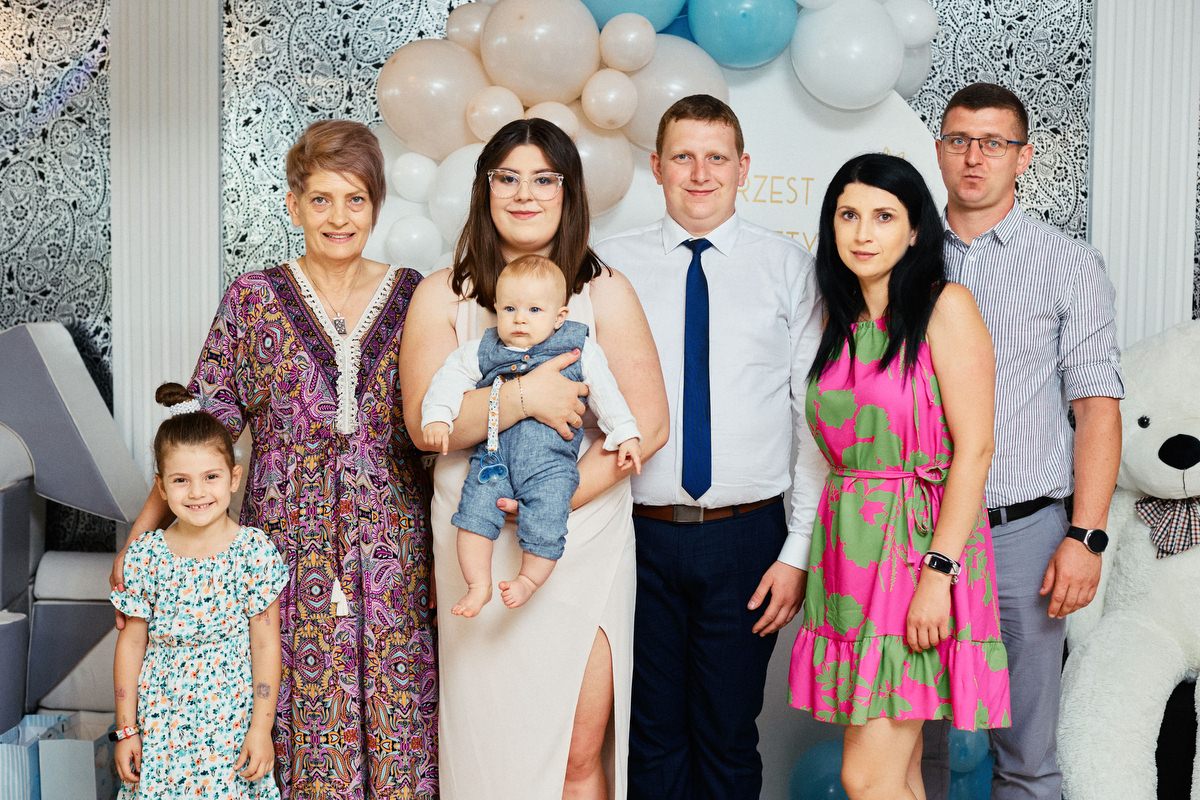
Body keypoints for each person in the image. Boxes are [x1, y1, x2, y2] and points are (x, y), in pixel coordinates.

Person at [111, 120, 438, 799]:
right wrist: (141, 536)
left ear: (377, 206)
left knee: (399, 700)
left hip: (394, 543)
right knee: (294, 701)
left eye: (355, 199)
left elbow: (441, 418)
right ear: (293, 205)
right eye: (321, 200)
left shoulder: (416, 296)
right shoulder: (253, 298)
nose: (338, 217)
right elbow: (205, 432)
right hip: (287, 543)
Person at [400, 118, 668, 799]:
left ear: (569, 191)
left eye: (544, 179)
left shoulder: (605, 291)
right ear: (484, 188)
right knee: (489, 751)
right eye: (508, 178)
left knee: (577, 752)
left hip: (582, 537)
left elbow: (649, 425)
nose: (526, 194)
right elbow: (426, 428)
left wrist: (549, 500)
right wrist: (520, 398)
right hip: (477, 538)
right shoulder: (441, 295)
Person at [593, 94, 826, 800]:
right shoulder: (607, 268)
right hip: (632, 532)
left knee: (727, 735)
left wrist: (796, 552)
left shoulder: (790, 268)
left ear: (743, 168)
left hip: (747, 538)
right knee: (649, 737)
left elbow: (812, 422)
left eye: (716, 157)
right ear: (657, 166)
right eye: (684, 157)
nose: (701, 174)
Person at [920, 83, 1123, 800]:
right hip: (914, 528)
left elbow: (1096, 407)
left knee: (1028, 756)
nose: (974, 157)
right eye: (959, 140)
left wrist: (1086, 536)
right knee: (911, 748)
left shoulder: (1067, 262)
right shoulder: (902, 254)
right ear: (939, 150)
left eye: (994, 143)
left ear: (1024, 156)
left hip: (1022, 534)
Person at [786, 153, 1010, 799]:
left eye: (884, 217)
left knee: (864, 777)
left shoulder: (946, 307)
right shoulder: (839, 321)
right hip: (847, 552)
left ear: (915, 231)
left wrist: (939, 574)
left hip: (916, 551)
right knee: (900, 775)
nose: (863, 233)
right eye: (848, 215)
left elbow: (975, 450)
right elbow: (824, 449)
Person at [421, 254, 642, 616]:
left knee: (548, 515)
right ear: (496, 309)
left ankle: (529, 579)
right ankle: (478, 584)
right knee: (473, 515)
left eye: (535, 310)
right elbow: (448, 380)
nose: (520, 318)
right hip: (492, 458)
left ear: (559, 316)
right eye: (510, 308)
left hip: (551, 463)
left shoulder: (578, 347)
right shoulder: (481, 350)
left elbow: (606, 392)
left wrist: (625, 432)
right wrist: (437, 417)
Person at [111, 382, 288, 799]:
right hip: (162, 731)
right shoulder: (146, 557)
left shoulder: (252, 552)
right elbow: (131, 645)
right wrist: (126, 730)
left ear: (233, 478)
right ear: (161, 487)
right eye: (181, 480)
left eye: (210, 477)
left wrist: (261, 728)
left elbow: (266, 646)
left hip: (230, 729)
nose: (196, 492)